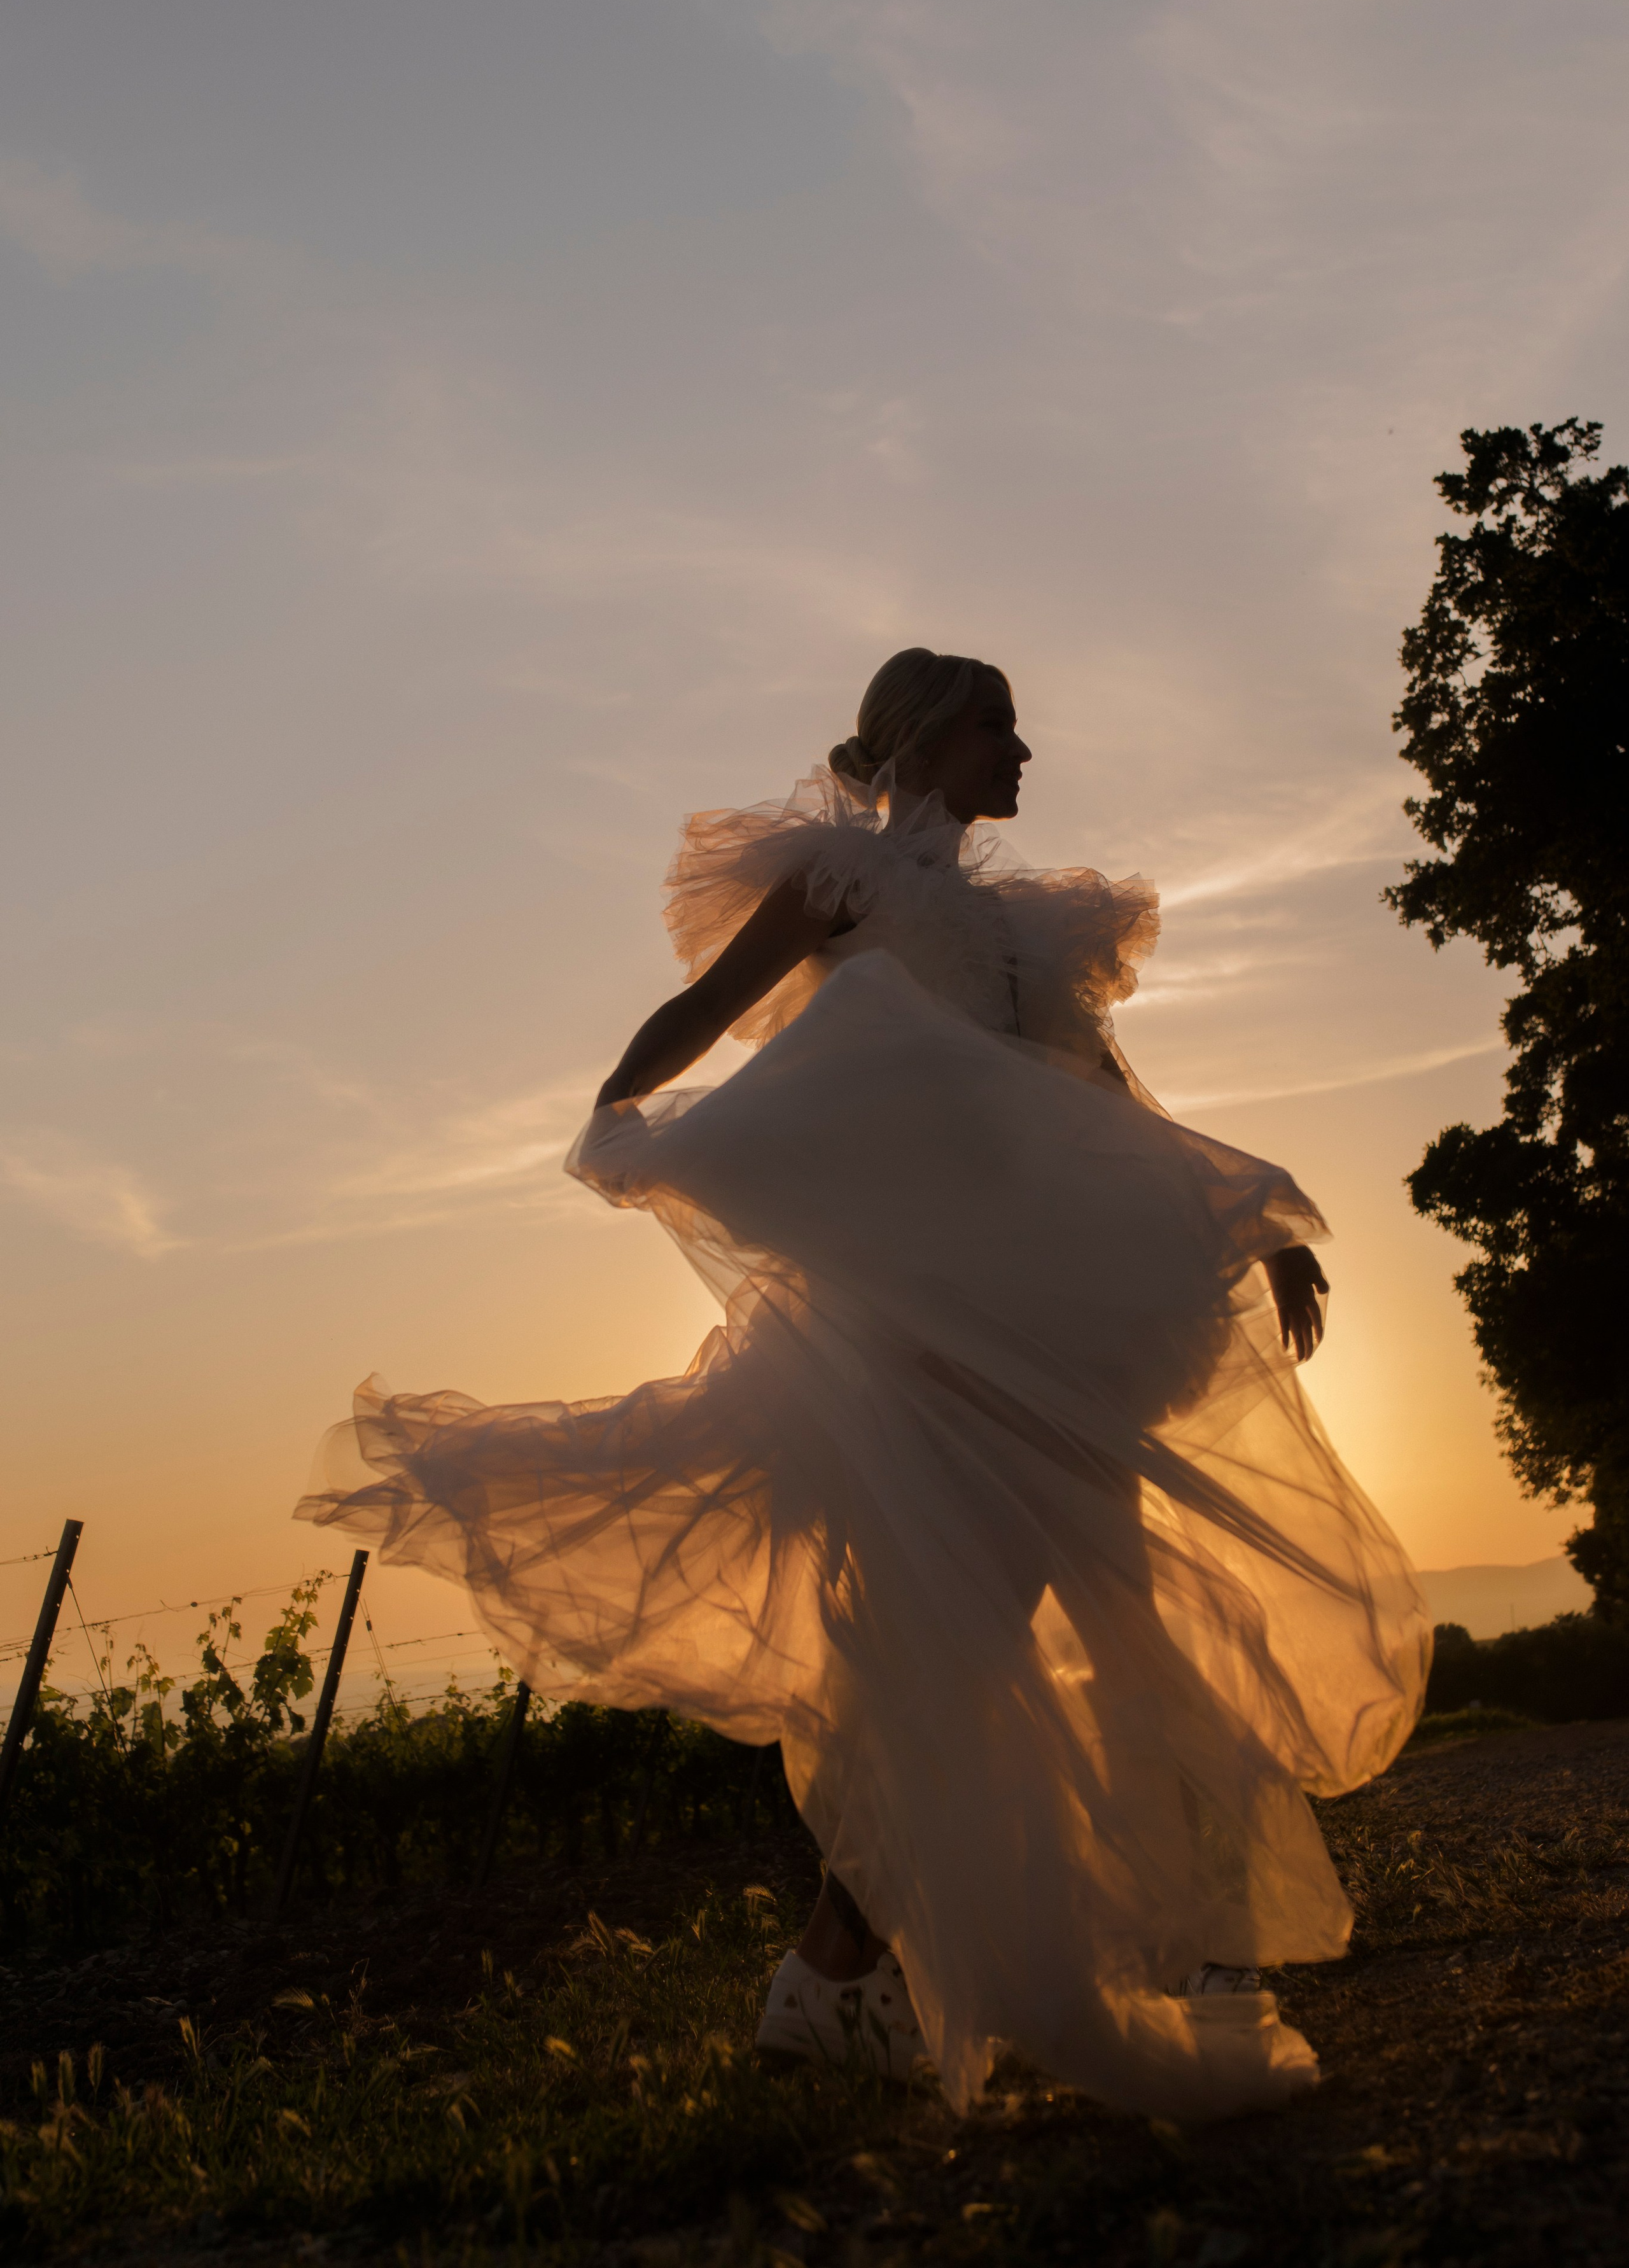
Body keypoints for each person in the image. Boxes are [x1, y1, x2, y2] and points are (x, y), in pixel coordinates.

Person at [298, 648, 1429, 2119]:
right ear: (925, 738)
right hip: (925, 1318)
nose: (1020, 749)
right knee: (959, 1651)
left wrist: (1263, 1229)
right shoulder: (844, 885)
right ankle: (859, 1974)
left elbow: (1108, 1097)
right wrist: (616, 1115)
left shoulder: (1029, 928)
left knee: (1087, 1619)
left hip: (1054, 1311)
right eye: (994, 724)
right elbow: (707, 1006)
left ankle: (1072, 1952)